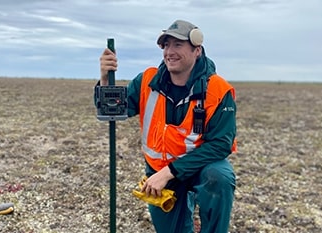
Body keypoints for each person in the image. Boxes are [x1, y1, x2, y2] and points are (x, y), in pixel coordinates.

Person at [96, 19, 237, 233]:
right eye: (166, 45)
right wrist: (105, 79)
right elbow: (112, 110)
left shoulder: (218, 90)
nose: (169, 51)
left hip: (199, 167)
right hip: (159, 168)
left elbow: (220, 145)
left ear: (196, 50)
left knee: (219, 177)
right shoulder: (148, 80)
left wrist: (168, 173)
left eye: (177, 45)